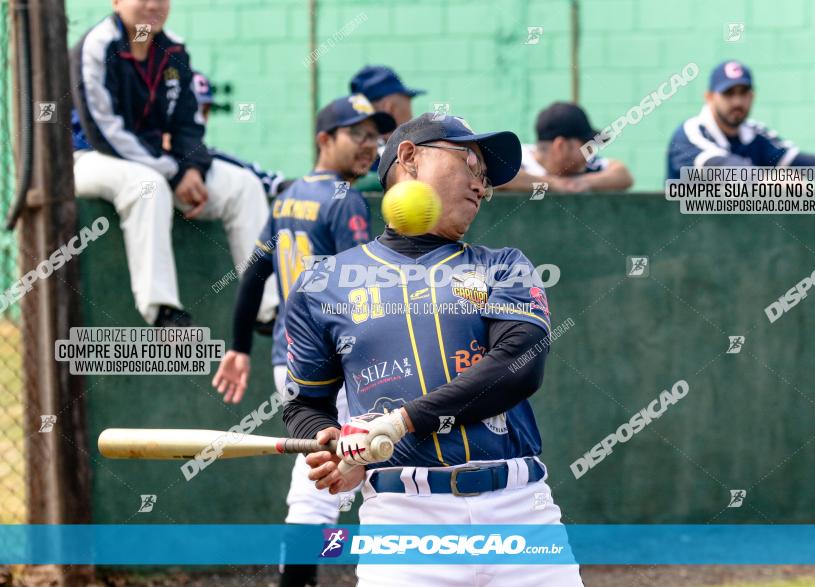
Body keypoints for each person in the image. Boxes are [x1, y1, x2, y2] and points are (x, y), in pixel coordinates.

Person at [284, 113, 583, 586]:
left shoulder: (503, 267)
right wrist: (335, 447)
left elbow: (518, 367)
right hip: (404, 526)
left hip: (520, 516)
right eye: (471, 165)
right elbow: (305, 403)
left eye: (486, 179)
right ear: (409, 157)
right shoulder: (322, 284)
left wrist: (400, 422)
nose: (482, 187)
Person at [211, 94, 395, 587]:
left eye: (373, 135)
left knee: (317, 483)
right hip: (332, 364)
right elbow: (363, 287)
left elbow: (253, 275)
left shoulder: (290, 195)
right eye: (355, 134)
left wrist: (239, 347)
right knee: (338, 482)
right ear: (324, 139)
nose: (367, 145)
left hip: (288, 360)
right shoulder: (345, 198)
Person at [70, 0, 277, 326]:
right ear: (117, 2)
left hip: (159, 162)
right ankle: (162, 309)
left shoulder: (173, 49)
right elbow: (104, 132)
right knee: (147, 185)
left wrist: (192, 168)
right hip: (89, 158)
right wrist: (174, 172)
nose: (154, 5)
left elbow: (187, 123)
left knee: (244, 186)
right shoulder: (97, 46)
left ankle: (267, 309)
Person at [667, 60, 815, 186]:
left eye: (743, 93)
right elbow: (719, 168)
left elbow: (798, 161)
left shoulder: (753, 133)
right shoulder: (691, 132)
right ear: (710, 97)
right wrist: (772, 180)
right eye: (728, 94)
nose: (737, 101)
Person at [165, 71, 292, 199]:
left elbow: (264, 179)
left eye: (205, 110)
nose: (202, 118)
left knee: (247, 184)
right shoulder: (151, 154)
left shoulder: (205, 156)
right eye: (196, 110)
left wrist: (279, 185)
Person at [500, 102, 633, 193]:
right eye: (585, 145)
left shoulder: (585, 165)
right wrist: (553, 184)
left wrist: (582, 182)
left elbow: (623, 175)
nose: (591, 151)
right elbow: (496, 178)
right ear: (561, 146)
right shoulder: (515, 159)